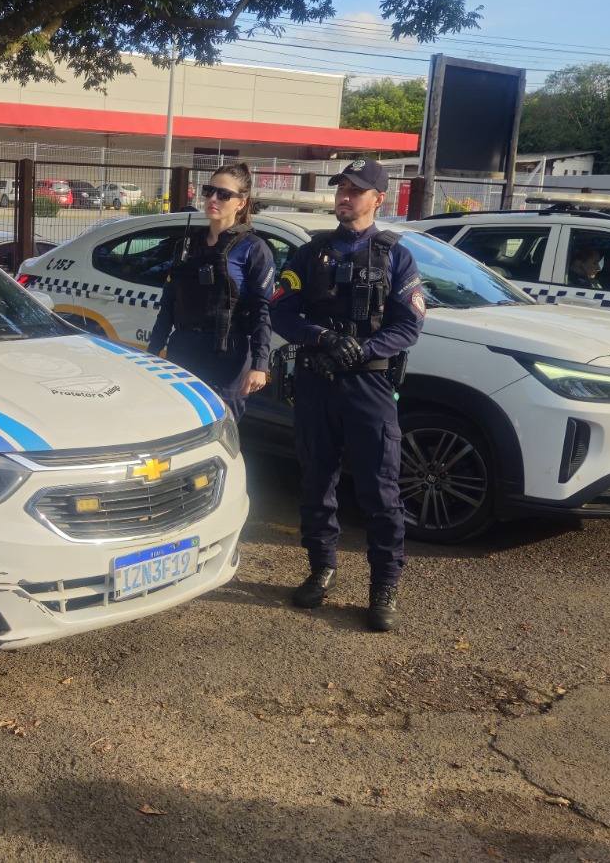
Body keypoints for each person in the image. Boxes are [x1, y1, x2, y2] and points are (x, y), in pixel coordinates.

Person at [270, 158, 425, 632]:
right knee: (317, 482)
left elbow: (410, 324)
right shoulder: (309, 253)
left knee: (380, 491)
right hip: (317, 381)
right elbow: (281, 313)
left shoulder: (397, 255)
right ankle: (321, 568)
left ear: (378, 198)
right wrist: (322, 338)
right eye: (341, 188)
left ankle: (384, 587)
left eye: (356, 190)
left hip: (369, 385)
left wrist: (362, 349)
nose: (344, 196)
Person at [146, 162, 277, 420]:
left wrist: (260, 364)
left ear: (241, 203)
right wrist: (153, 353)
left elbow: (263, 311)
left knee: (221, 430)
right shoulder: (188, 244)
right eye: (209, 191)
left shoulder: (254, 248)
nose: (212, 199)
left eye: (223, 194)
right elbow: (169, 306)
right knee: (176, 424)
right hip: (183, 351)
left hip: (227, 356)